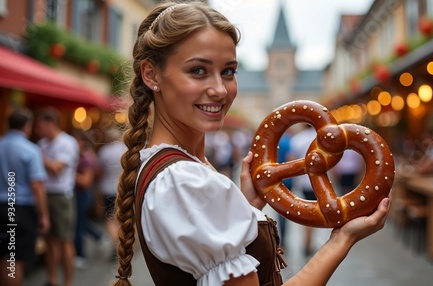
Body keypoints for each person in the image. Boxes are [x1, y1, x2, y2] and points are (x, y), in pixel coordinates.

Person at [112, 2, 390, 285]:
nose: (220, 90)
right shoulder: (185, 182)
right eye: (197, 70)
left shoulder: (170, 167)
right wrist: (342, 239)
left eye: (229, 71)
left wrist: (242, 206)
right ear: (151, 75)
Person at [0, 107, 50, 286]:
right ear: (26, 126)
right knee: (14, 257)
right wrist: (43, 215)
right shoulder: (30, 150)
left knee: (4, 255)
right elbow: (36, 185)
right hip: (18, 208)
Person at [35, 108, 79, 286]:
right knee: (50, 241)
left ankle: (67, 282)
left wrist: (36, 156)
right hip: (45, 194)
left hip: (61, 195)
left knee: (65, 240)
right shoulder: (41, 144)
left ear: (51, 124)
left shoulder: (67, 143)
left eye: (40, 125)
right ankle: (52, 279)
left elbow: (56, 168)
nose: (37, 129)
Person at [72, 130, 104, 268]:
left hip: (83, 194)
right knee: (81, 221)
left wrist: (68, 172)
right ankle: (99, 237)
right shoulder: (83, 157)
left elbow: (86, 181)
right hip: (83, 194)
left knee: (78, 224)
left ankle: (80, 255)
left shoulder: (86, 159)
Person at [96, 129, 126, 260]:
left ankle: (116, 244)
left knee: (110, 218)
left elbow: (99, 171)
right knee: (122, 218)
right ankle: (124, 244)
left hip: (108, 189)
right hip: (123, 188)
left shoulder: (104, 152)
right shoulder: (125, 149)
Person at [289, 124, 318, 257]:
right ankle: (309, 241)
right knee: (316, 212)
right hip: (320, 182)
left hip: (304, 182)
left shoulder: (298, 139)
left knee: (308, 212)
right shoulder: (321, 137)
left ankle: (306, 241)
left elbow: (291, 161)